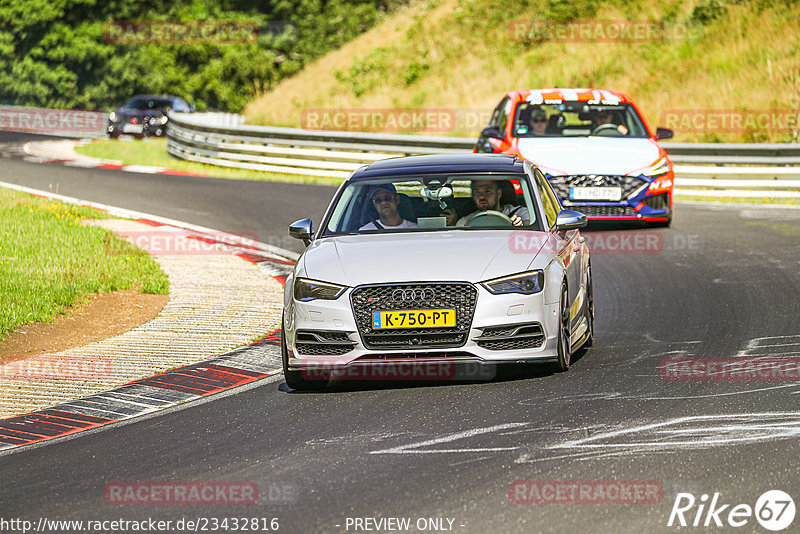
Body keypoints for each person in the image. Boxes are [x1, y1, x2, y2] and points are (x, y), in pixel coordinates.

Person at [456, 180, 529, 227]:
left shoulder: (520, 213)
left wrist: (520, 227)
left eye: (487, 191)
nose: (482, 196)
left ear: (499, 194)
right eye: (477, 192)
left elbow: (531, 235)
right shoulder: (465, 223)